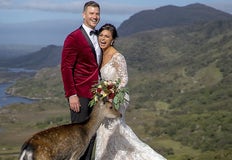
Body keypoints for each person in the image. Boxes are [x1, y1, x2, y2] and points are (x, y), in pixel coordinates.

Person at [94, 23, 167, 160]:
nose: (103, 39)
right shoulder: (100, 54)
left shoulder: (118, 57)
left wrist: (113, 96)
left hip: (118, 98)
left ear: (113, 40)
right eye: (101, 35)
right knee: (105, 133)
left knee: (112, 131)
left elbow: (124, 79)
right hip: (105, 99)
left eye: (107, 36)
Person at [60, 1, 101, 160]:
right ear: (83, 15)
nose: (94, 16)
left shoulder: (99, 36)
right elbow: (66, 68)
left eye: (97, 13)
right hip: (80, 96)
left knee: (92, 136)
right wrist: (71, 94)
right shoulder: (73, 37)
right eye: (91, 13)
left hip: (96, 97)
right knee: (79, 138)